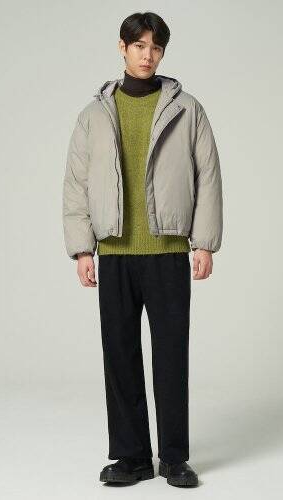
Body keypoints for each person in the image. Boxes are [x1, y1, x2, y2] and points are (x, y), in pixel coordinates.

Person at [62, 11, 223, 488]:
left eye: (155, 47)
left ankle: (173, 457)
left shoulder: (187, 109)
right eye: (139, 46)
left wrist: (204, 242)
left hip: (168, 251)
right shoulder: (94, 115)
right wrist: (82, 250)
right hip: (113, 253)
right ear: (123, 47)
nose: (147, 55)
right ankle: (131, 457)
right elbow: (76, 183)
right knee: (120, 357)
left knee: (171, 356)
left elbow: (208, 176)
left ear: (162, 52)